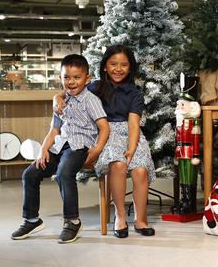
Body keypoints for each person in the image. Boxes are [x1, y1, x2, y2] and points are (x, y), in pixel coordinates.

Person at [54, 45, 156, 238]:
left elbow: (134, 124)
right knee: (117, 166)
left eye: (124, 65)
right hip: (106, 132)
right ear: (104, 66)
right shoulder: (95, 87)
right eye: (113, 64)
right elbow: (68, 93)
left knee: (140, 169)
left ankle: (141, 219)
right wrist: (56, 97)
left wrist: (132, 148)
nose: (118, 69)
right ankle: (120, 216)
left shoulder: (134, 93)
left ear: (130, 68)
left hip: (131, 134)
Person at [11, 54, 110, 243]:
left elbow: (105, 127)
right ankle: (31, 219)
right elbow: (54, 129)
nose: (71, 82)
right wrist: (43, 150)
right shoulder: (59, 101)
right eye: (66, 77)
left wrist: (96, 151)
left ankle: (72, 221)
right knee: (30, 174)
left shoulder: (91, 100)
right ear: (60, 78)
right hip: (59, 146)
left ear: (87, 79)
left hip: (80, 147)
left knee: (64, 173)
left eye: (76, 77)